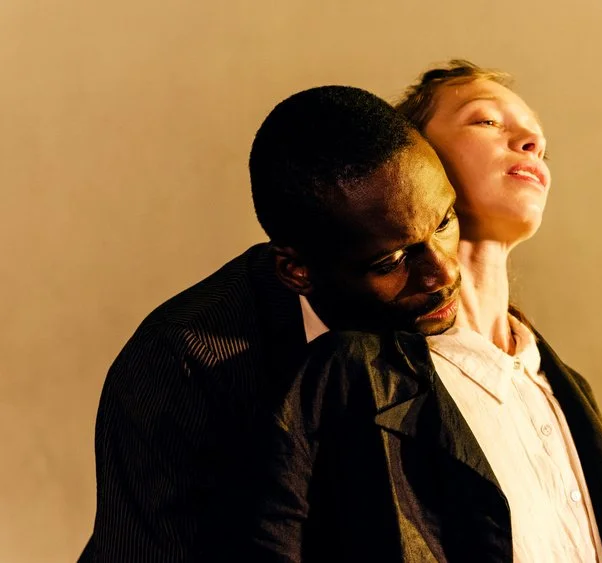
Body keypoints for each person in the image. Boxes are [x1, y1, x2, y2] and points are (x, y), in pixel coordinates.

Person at [248, 61, 602, 562]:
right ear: (415, 155)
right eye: (487, 120)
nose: (532, 142)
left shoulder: (564, 386)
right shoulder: (350, 373)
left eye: (538, 138)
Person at [79, 85, 461, 561]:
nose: (444, 272)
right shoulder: (184, 364)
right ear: (297, 271)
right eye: (392, 261)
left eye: (445, 222)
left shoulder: (452, 313)